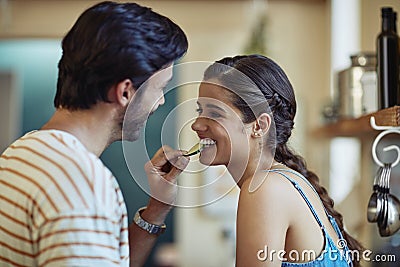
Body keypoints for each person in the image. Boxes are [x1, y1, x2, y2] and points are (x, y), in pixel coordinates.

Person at [0, 1, 189, 266]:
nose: (160, 103)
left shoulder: (20, 152)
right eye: (160, 88)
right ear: (125, 92)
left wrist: (156, 209)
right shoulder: (82, 183)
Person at [191, 55, 363, 267]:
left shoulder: (265, 189)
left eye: (215, 113)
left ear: (259, 126)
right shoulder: (283, 181)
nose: (197, 125)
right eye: (200, 110)